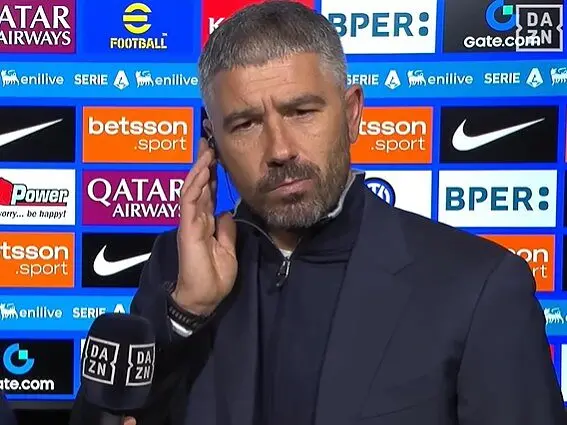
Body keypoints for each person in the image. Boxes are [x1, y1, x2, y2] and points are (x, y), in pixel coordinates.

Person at [72, 2, 566, 424]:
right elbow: (100, 416)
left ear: (351, 114)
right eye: (245, 124)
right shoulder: (175, 267)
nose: (280, 149)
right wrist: (185, 314)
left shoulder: (478, 286)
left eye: (301, 112)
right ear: (212, 142)